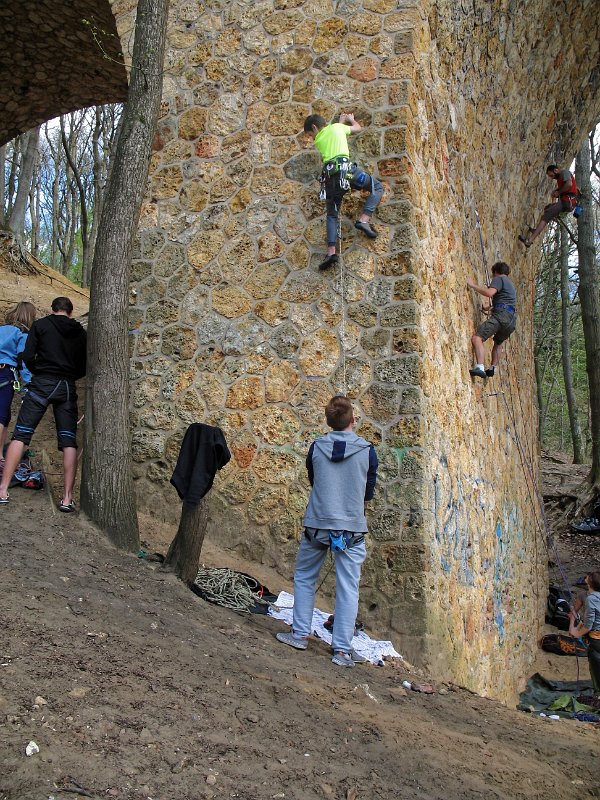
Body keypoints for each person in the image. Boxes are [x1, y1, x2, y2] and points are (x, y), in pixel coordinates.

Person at [276, 395, 378, 668]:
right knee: (348, 589)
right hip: (351, 529)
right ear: (353, 420)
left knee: (306, 578)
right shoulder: (368, 450)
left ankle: (299, 633)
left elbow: (314, 479)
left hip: (318, 524)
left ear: (328, 421)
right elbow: (368, 492)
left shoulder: (316, 447)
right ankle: (342, 650)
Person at [0, 297, 86, 512]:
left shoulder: (40, 325)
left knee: (21, 434)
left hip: (41, 384)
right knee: (68, 441)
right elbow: (84, 365)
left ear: (53, 309)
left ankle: (2, 489)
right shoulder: (80, 332)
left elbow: (27, 356)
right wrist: (70, 375)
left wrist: (39, 371)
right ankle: (67, 499)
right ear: (71, 312)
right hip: (66, 386)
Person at [304, 112, 384, 271]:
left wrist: (340, 122)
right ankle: (363, 220)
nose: (313, 137)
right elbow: (357, 128)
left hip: (330, 180)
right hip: (348, 173)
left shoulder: (320, 140)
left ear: (314, 127)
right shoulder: (338, 128)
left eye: (311, 134)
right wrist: (350, 119)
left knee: (332, 215)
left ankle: (331, 252)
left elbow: (333, 132)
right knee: (377, 187)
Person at [467, 261, 516, 379]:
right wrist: (488, 308)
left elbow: (489, 293)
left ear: (496, 272)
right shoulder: (511, 285)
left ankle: (480, 367)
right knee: (498, 343)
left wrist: (472, 285)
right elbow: (505, 303)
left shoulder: (499, 279)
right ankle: (493, 367)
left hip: (500, 317)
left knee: (477, 338)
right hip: (511, 321)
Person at [0, 302, 35, 458]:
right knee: (1, 415)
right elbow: (24, 360)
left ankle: (0, 455)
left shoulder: (1, 329)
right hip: (6, 372)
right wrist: (29, 383)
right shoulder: (22, 334)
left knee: (6, 416)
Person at [518, 164, 578, 247]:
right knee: (547, 208)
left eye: (551, 175)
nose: (552, 177)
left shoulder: (564, 172)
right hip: (567, 202)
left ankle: (529, 241)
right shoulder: (560, 178)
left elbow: (569, 185)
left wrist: (558, 192)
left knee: (547, 215)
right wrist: (556, 191)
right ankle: (536, 231)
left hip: (568, 201)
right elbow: (565, 187)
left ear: (556, 170)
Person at [568, 572, 600, 695]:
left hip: (596, 638)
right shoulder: (589, 595)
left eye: (588, 577)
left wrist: (576, 632)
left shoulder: (591, 599)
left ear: (590, 581)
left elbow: (588, 625)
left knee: (596, 666)